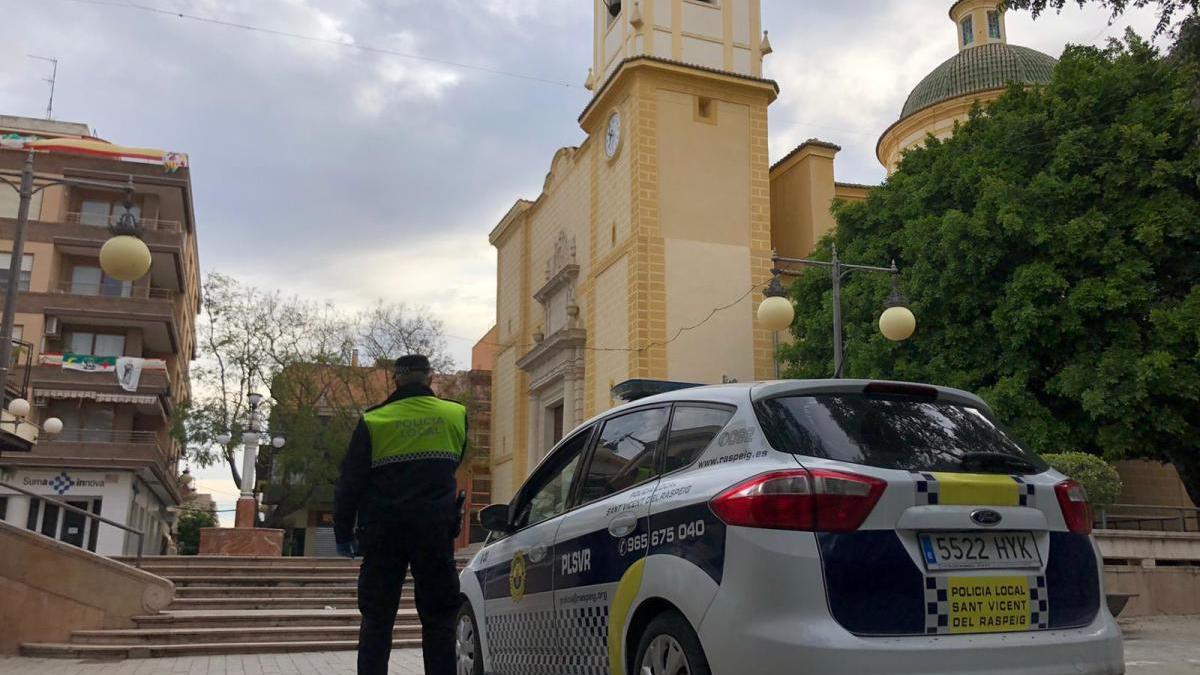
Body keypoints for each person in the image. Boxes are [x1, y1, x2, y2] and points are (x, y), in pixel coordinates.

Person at [334, 354, 468, 675]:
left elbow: (350, 482)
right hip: (434, 532)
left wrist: (343, 534)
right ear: (430, 378)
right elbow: (455, 461)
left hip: (383, 534)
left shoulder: (374, 420)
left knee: (377, 621)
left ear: (396, 379)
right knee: (439, 620)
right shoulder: (455, 414)